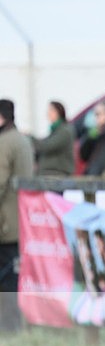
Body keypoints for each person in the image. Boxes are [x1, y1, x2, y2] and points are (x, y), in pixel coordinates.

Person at [0, 99, 34, 330]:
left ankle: (8, 326)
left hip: (6, 221)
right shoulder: (22, 139)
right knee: (13, 273)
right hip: (20, 218)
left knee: (6, 277)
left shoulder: (4, 142)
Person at [32, 101, 74, 176]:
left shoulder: (64, 131)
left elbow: (47, 146)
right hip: (50, 172)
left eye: (51, 110)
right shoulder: (56, 130)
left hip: (57, 173)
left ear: (58, 112)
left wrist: (31, 139)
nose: (48, 113)